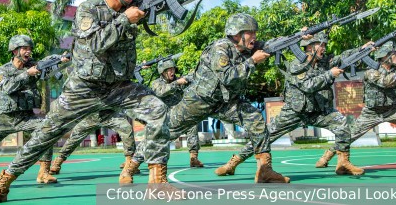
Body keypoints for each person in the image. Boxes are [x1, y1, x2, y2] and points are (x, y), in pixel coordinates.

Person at [0, 0, 204, 204]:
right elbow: (95, 43)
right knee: (46, 134)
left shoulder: (135, 5)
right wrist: (125, 19)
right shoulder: (89, 9)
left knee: (158, 109)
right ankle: (3, 182)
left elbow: (162, 1)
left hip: (119, 86)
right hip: (84, 88)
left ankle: (157, 183)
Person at [124, 13, 290, 183]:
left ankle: (265, 170)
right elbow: (227, 76)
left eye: (255, 33)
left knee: (255, 120)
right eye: (250, 33)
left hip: (225, 102)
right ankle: (131, 166)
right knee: (166, 131)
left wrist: (295, 38)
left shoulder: (248, 47)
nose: (254, 36)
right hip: (199, 101)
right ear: (236, 34)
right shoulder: (220, 49)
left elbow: (270, 45)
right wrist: (252, 62)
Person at [222, 31, 366, 177]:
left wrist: (362, 49)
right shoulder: (297, 65)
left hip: (318, 112)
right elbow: (308, 85)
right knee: (265, 136)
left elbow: (343, 57)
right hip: (295, 112)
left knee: (343, 125)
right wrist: (330, 74)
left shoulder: (324, 63)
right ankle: (233, 163)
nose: (324, 48)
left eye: (325, 45)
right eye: (321, 45)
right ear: (309, 47)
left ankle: (343, 164)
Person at [0, 35, 69, 185]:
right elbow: (7, 87)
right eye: (24, 49)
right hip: (4, 118)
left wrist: (61, 58)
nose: (28, 52)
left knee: (47, 129)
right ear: (15, 51)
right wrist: (27, 74)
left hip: (26, 117)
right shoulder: (4, 70)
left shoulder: (34, 65)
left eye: (30, 49)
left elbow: (47, 61)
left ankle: (44, 172)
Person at [314, 41, 396, 168]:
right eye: (394, 53)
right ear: (385, 56)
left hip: (392, 110)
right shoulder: (372, 71)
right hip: (372, 113)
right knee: (349, 135)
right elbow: (385, 81)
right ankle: (327, 155)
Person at [120, 57, 203, 183]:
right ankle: (130, 168)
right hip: (162, 119)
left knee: (193, 124)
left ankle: (193, 157)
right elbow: (160, 92)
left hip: (178, 117)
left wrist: (192, 76)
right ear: (162, 72)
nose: (172, 72)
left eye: (173, 69)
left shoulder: (179, 79)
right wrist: (177, 83)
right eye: (168, 70)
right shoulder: (157, 83)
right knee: (151, 142)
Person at [49, 111, 137, 174]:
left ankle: (129, 161)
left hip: (111, 114)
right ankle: (58, 161)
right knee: (75, 137)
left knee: (126, 128)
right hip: (92, 115)